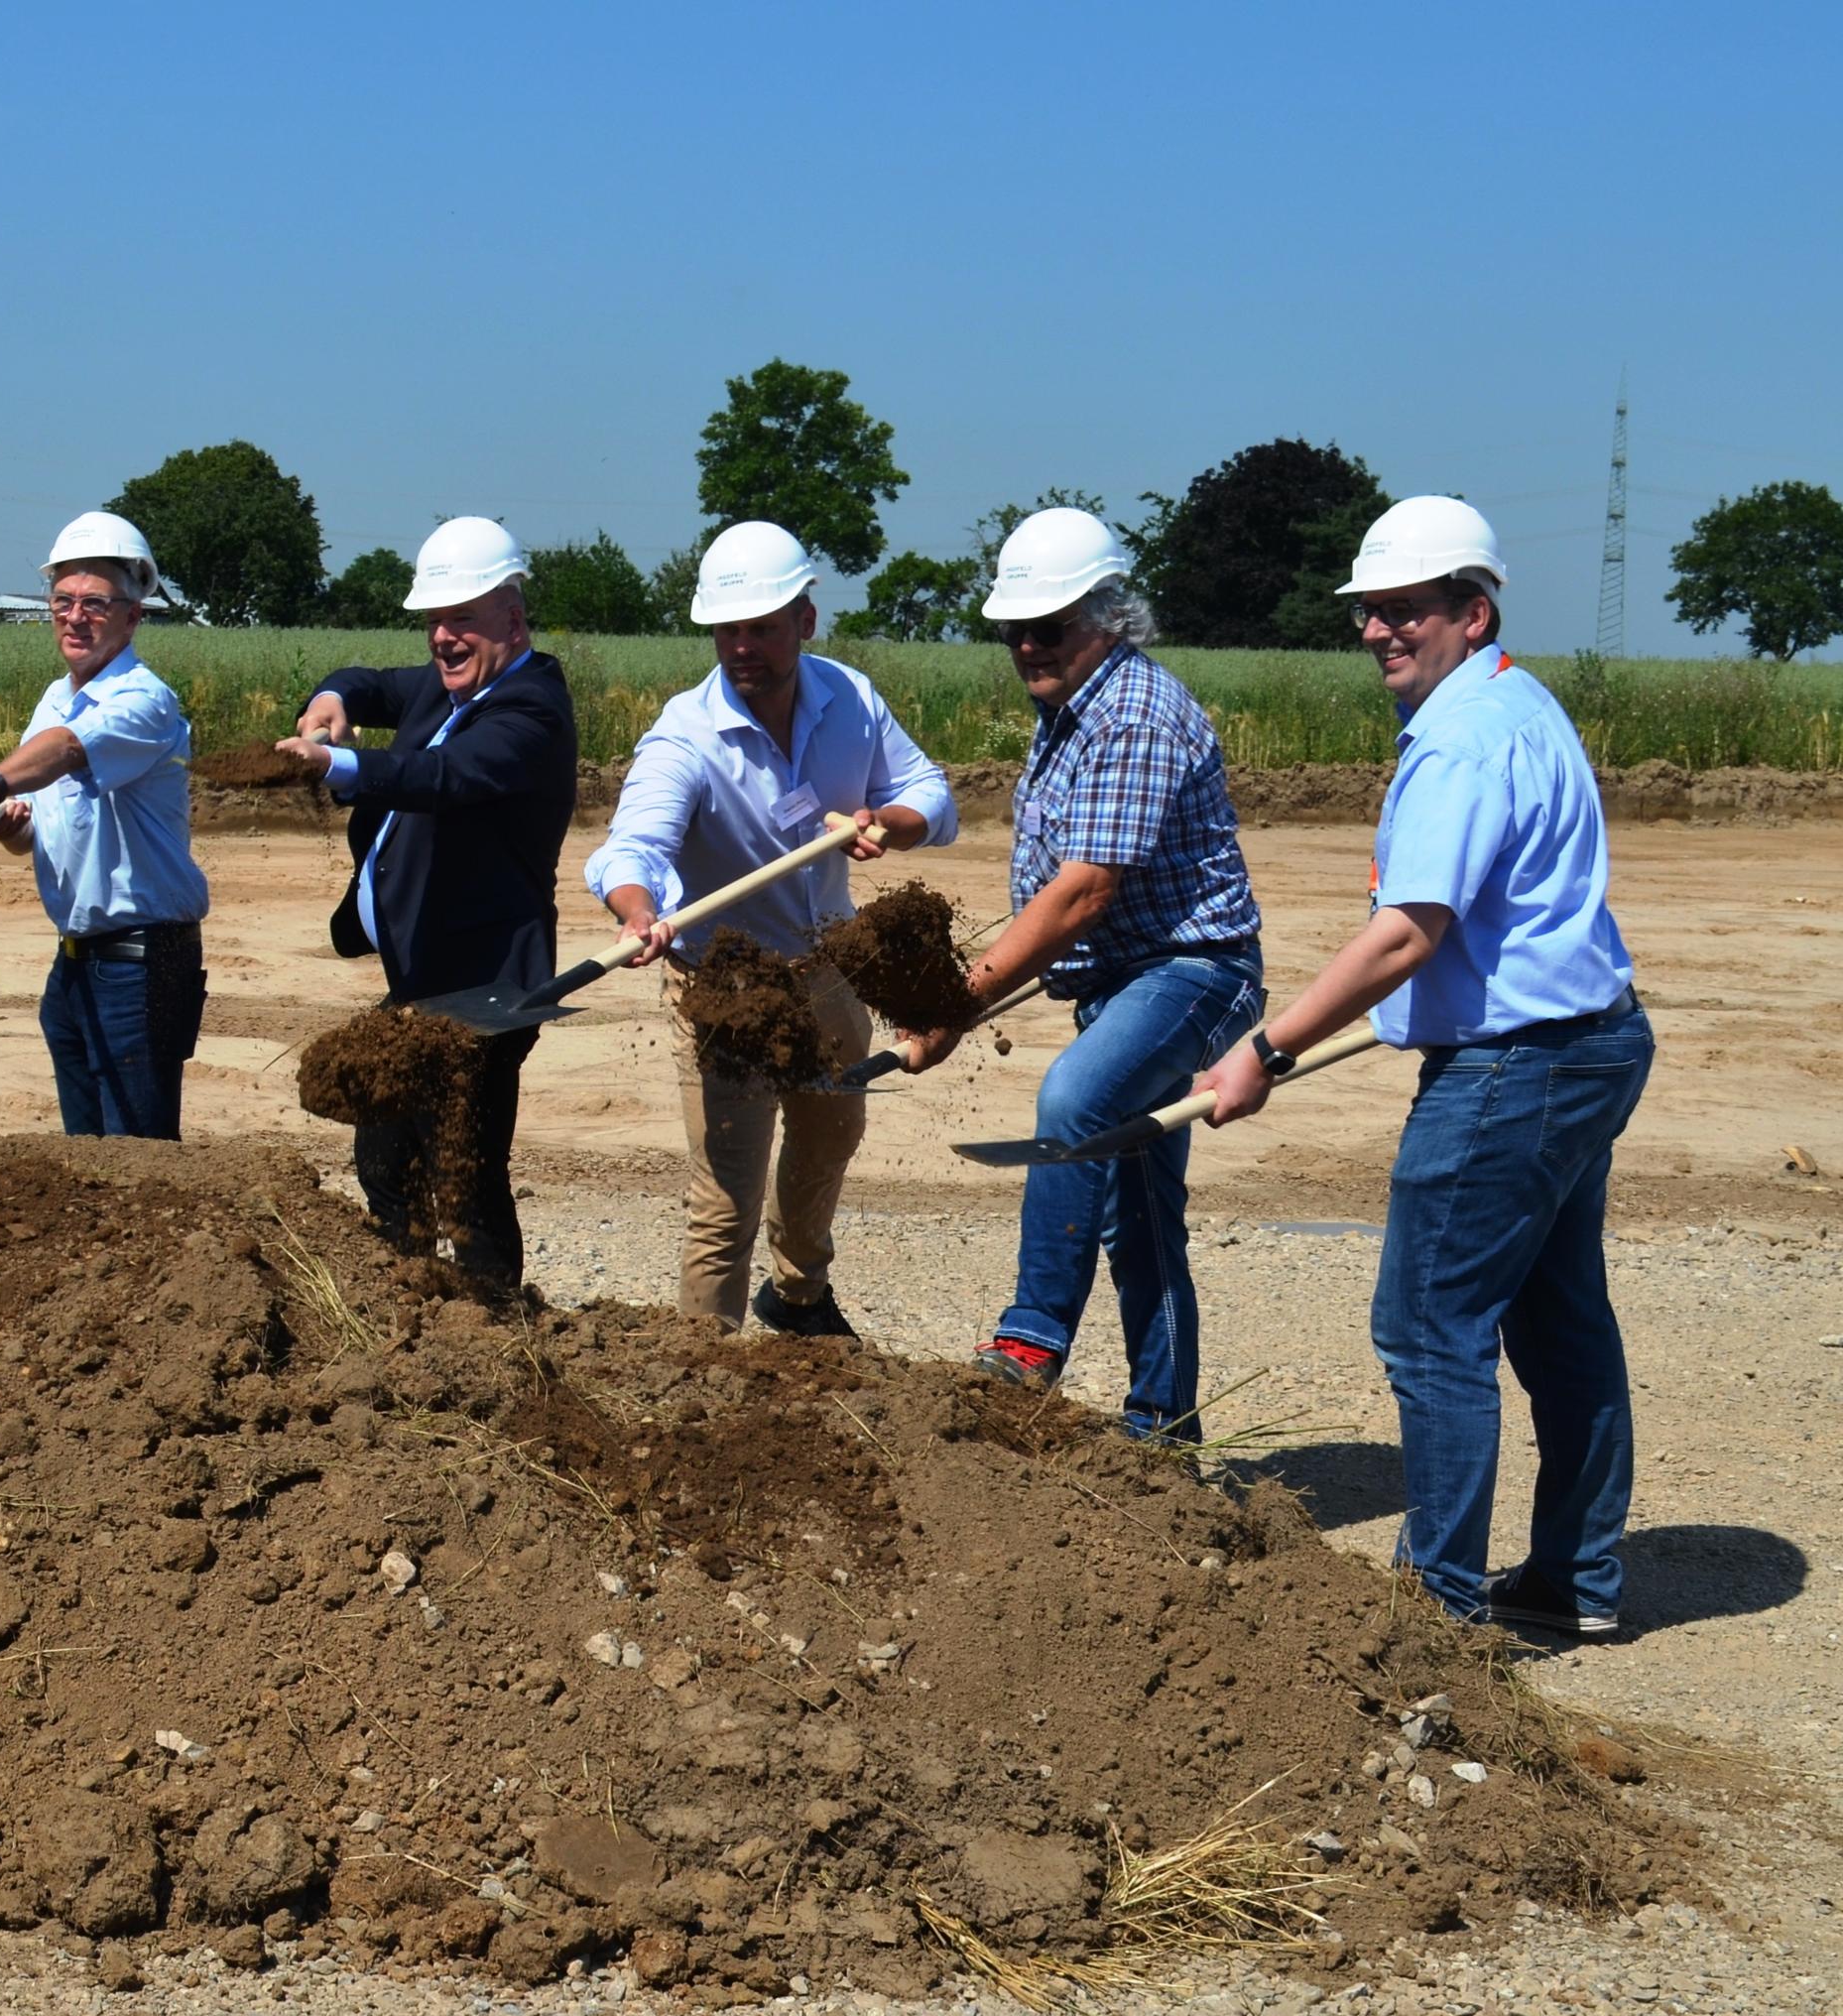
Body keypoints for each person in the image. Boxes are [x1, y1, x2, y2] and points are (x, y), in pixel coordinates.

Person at [1196, 498, 1647, 1637]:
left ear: (1470, 610)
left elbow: (1407, 933)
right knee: (1558, 1321)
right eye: (1371, 612)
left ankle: (1434, 1608)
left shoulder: (1460, 738)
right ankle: (1576, 1582)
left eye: (1404, 610)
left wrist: (1262, 1048)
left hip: (1517, 1069)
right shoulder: (1517, 701)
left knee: (1429, 1325)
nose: (1377, 631)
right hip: (1591, 1044)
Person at [895, 506, 1262, 1440]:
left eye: (1048, 627)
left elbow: (1081, 896)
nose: (1026, 645)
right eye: (1013, 630)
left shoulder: (1131, 713)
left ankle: (1028, 1343)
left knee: (1071, 1104)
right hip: (1120, 984)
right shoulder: (1067, 713)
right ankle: (1164, 1427)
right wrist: (957, 1015)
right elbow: (1060, 916)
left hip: (1195, 974)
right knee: (1140, 1215)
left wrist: (954, 1002)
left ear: (1108, 615)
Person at [586, 521, 955, 1337]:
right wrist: (638, 910)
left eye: (761, 628)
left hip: (828, 965)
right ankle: (703, 1361)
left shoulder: (851, 699)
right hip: (721, 983)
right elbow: (630, 848)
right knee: (726, 1197)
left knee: (831, 1135)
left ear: (805, 622)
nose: (742, 646)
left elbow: (935, 793)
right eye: (728, 630)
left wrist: (890, 822)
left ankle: (797, 1295)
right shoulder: (686, 735)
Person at [271, 516, 578, 1283]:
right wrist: (332, 697)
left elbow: (445, 781)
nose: (443, 638)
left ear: (512, 615)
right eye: (434, 621)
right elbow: (369, 681)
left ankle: (493, 1325)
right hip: (423, 981)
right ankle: (408, 1302)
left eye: (461, 619)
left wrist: (335, 763)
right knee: (387, 1157)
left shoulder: (531, 709)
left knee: (462, 1173)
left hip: (489, 987)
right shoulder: (445, 689)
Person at [0, 512, 209, 1137]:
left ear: (133, 615)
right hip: (77, 962)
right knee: (83, 1164)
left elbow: (69, 750)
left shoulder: (144, 701)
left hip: (141, 960)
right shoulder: (55, 698)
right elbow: (52, 830)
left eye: (95, 603)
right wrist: (11, 827)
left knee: (137, 1159)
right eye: (62, 600)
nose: (74, 616)